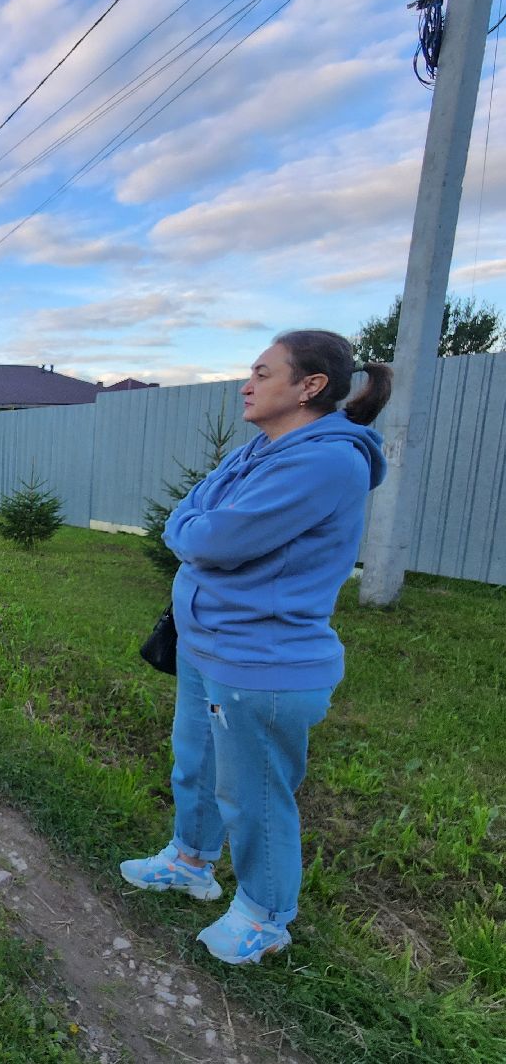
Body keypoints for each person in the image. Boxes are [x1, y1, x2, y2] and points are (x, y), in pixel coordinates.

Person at [120, 330, 394, 965]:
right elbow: (190, 515)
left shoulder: (326, 461)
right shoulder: (261, 451)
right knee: (195, 764)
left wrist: (193, 532)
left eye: (263, 373)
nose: (247, 384)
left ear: (310, 387)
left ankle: (266, 917)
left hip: (263, 660)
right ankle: (190, 861)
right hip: (207, 644)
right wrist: (193, 529)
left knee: (253, 794)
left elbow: (211, 539)